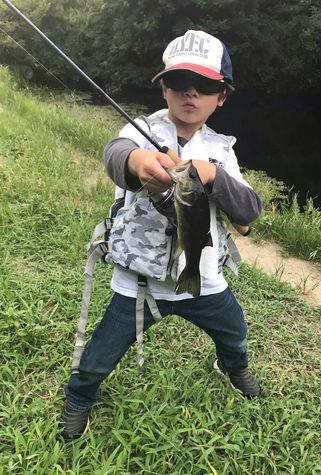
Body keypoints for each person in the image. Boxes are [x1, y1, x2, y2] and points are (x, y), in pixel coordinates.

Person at [60, 30, 263, 441]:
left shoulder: (222, 151)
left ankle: (233, 367)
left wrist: (213, 176)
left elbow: (248, 211)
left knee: (235, 332)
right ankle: (79, 397)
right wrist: (136, 162)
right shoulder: (139, 130)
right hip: (138, 284)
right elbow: (115, 154)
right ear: (163, 86)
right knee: (98, 356)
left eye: (205, 85)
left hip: (204, 280)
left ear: (222, 96)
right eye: (179, 82)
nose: (191, 91)